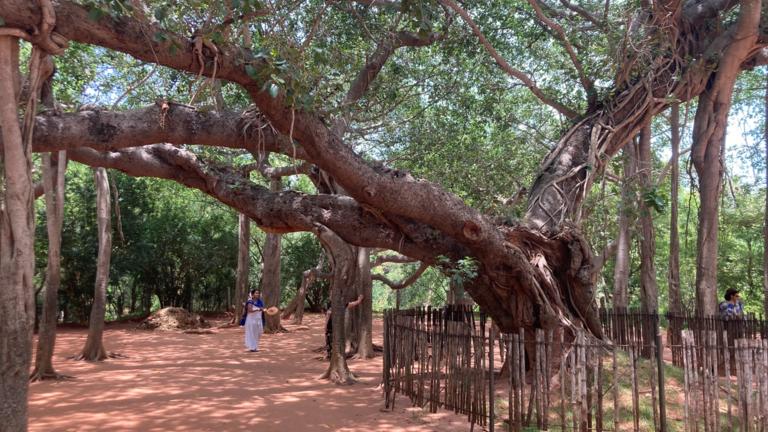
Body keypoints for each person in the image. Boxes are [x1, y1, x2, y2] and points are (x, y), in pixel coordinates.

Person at [325, 294, 364, 359]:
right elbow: (328, 315)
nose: (330, 297)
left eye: (332, 295)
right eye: (330, 295)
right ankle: (331, 355)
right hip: (332, 326)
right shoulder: (332, 304)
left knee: (333, 341)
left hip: (335, 327)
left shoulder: (340, 304)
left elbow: (350, 304)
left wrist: (358, 301)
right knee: (330, 341)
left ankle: (333, 356)